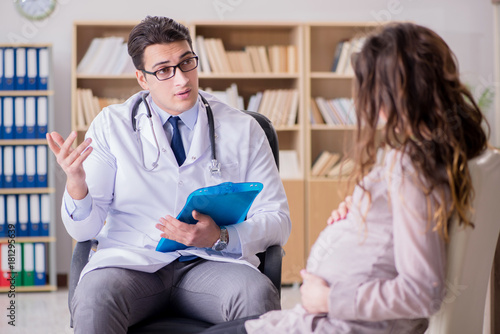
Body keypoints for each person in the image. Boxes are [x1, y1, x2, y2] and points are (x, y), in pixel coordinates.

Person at [204, 21, 490, 334]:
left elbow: (421, 292)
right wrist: (361, 214)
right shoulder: (437, 154)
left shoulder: (412, 167)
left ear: (394, 92)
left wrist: (330, 298)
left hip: (339, 323)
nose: (362, 100)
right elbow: (404, 231)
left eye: (367, 87)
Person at [47, 16, 291, 333]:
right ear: (142, 78)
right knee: (94, 296)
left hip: (212, 264)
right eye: (164, 70)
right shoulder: (112, 126)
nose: (182, 80)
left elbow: (278, 219)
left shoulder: (243, 129)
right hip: (132, 263)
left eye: (187, 62)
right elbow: (85, 229)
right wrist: (77, 186)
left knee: (255, 295)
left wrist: (221, 236)